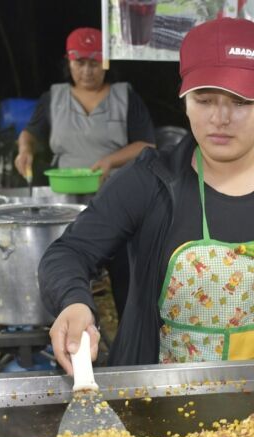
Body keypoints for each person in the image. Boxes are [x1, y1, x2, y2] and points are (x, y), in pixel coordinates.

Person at [39, 18, 254, 373]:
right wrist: (74, 303)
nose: (220, 118)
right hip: (165, 399)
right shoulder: (149, 183)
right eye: (204, 99)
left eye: (241, 102)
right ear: (184, 99)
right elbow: (68, 253)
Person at [16, 27, 155, 319]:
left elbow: (147, 144)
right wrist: (25, 149)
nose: (87, 71)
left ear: (106, 64)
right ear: (69, 62)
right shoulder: (53, 98)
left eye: (95, 63)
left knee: (126, 274)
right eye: (80, 63)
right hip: (65, 202)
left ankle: (129, 330)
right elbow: (31, 133)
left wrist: (110, 161)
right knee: (66, 267)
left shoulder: (125, 96)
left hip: (118, 200)